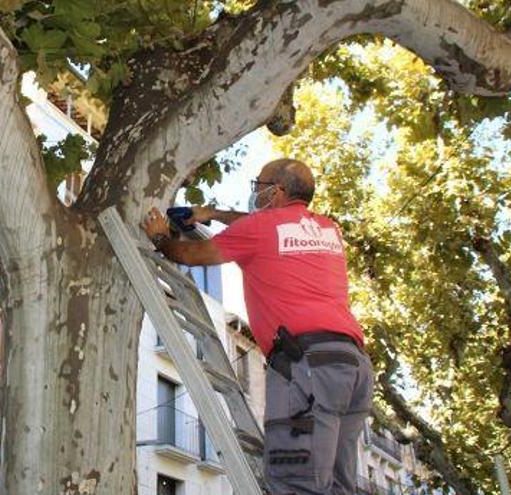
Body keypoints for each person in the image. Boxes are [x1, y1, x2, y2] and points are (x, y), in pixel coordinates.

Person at [141, 158, 373, 495]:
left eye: (259, 185)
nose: (255, 192)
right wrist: (214, 215)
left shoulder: (260, 229)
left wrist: (161, 239)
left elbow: (191, 255)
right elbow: (266, 223)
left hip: (306, 367)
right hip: (353, 368)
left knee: (296, 484)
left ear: (277, 191)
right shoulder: (327, 229)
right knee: (337, 486)